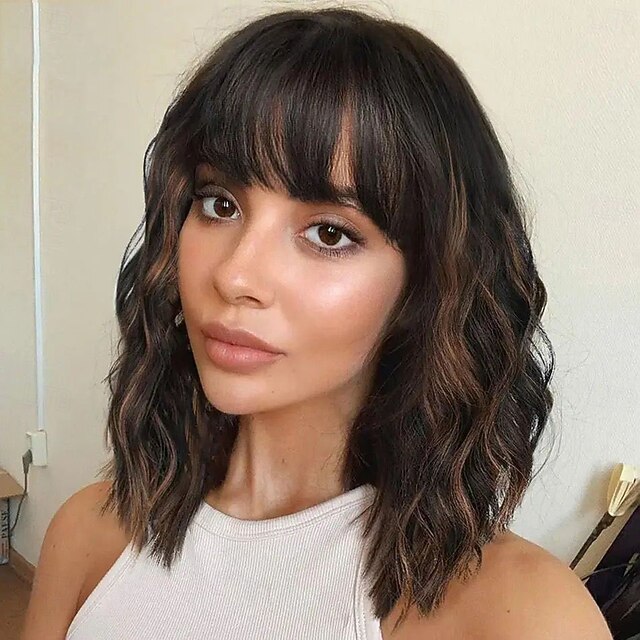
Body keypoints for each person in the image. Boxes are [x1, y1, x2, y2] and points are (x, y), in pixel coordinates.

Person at [22, 6, 613, 639]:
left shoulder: (524, 613)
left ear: (430, 283)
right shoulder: (89, 533)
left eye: (329, 233)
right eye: (219, 203)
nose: (235, 275)